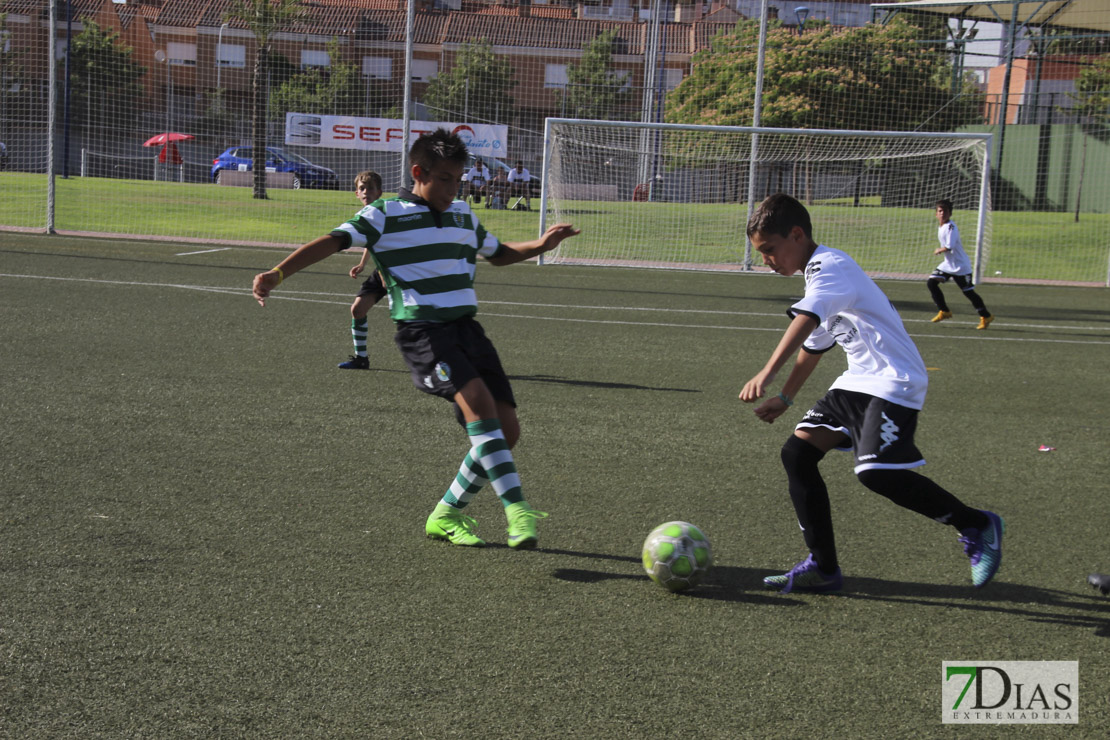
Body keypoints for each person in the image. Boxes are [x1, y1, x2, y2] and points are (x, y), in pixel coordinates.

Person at [252, 128, 580, 549]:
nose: (453, 188)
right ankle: (517, 510)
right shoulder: (385, 213)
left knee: (508, 430)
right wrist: (277, 274)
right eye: (444, 178)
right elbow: (332, 242)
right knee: (479, 403)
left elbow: (497, 254)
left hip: (467, 329)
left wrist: (540, 244)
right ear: (418, 172)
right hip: (423, 332)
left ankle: (446, 515)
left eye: (458, 179)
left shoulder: (463, 214)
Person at [739, 193, 1004, 594]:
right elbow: (816, 343)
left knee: (876, 473)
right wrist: (787, 398)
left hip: (894, 380)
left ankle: (977, 524)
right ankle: (823, 567)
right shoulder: (819, 276)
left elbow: (806, 320)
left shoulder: (831, 268)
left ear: (796, 235)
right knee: (797, 453)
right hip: (858, 381)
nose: (767, 261)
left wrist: (767, 371)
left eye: (770, 250)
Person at [338, 170, 386, 370]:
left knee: (412, 319)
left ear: (379, 192)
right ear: (356, 193)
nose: (366, 192)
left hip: (401, 271)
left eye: (370, 188)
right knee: (357, 310)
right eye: (362, 188)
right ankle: (361, 358)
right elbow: (370, 241)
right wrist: (363, 264)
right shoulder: (367, 216)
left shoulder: (383, 212)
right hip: (382, 270)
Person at [927, 199, 994, 330]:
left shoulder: (951, 227)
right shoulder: (941, 227)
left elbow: (950, 246)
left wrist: (939, 250)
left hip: (960, 266)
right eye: (940, 211)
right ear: (936, 214)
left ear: (950, 213)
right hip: (948, 264)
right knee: (931, 283)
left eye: (945, 211)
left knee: (968, 292)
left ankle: (986, 316)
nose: (942, 214)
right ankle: (944, 311)